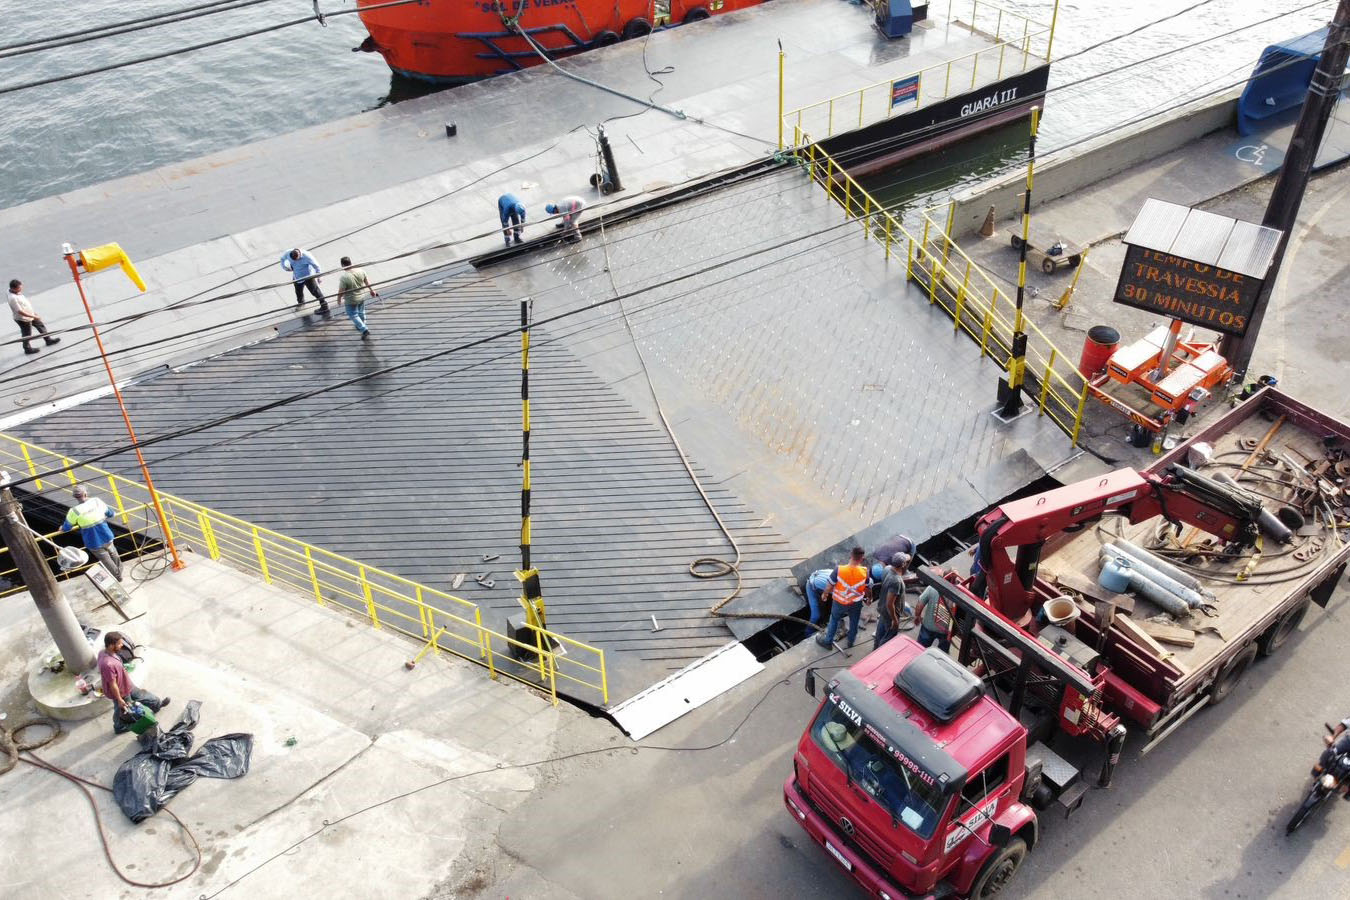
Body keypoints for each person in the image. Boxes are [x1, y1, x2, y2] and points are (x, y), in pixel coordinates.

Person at [98, 631, 169, 734]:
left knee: (143, 696)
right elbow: (112, 684)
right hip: (120, 692)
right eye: (119, 643)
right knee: (121, 709)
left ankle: (156, 704)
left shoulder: (104, 652)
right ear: (111, 645)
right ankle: (119, 727)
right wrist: (119, 699)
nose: (122, 645)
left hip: (127, 684)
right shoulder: (107, 664)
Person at [61, 485, 123, 580]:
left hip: (93, 542)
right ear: (85, 493)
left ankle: (118, 576)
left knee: (105, 560)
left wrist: (62, 528)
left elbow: (67, 527)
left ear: (75, 497)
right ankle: (120, 570)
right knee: (113, 553)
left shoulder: (74, 511)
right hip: (106, 536)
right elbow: (111, 513)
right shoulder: (96, 501)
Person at [816, 547, 873, 650]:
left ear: (850, 555)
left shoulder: (839, 570)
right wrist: (869, 598)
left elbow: (829, 586)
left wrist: (824, 595)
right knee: (854, 621)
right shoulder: (865, 572)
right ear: (862, 558)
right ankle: (851, 642)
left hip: (839, 602)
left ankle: (828, 642)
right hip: (855, 603)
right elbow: (868, 588)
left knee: (834, 620)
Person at [7, 279, 60, 356]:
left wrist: (33, 314)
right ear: (14, 288)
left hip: (30, 314)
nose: (21, 289)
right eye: (19, 288)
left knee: (40, 326)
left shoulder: (10, 290)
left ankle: (48, 339)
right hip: (23, 318)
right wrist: (33, 316)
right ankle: (27, 348)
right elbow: (20, 311)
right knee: (27, 334)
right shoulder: (13, 298)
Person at [873, 552, 912, 652]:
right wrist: (894, 620)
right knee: (888, 638)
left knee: (880, 633)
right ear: (903, 565)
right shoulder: (896, 581)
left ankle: (875, 649)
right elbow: (890, 603)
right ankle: (880, 655)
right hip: (890, 614)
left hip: (882, 610)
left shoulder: (887, 569)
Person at [336, 256, 377, 340]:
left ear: (342, 265)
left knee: (353, 314)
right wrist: (372, 290)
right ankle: (362, 324)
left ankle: (364, 329)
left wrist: (339, 299)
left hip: (351, 300)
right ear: (351, 263)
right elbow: (367, 282)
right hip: (361, 296)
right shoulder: (361, 271)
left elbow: (341, 291)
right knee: (361, 312)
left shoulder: (344, 277)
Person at [913, 576, 957, 653]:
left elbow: (920, 604)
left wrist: (917, 616)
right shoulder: (958, 594)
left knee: (920, 650)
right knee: (942, 654)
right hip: (946, 631)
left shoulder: (932, 588)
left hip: (928, 627)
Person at [280, 248, 328, 313]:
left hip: (308, 276)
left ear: (299, 254)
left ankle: (324, 306)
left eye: (296, 259)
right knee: (298, 291)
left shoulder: (307, 256)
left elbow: (316, 266)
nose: (295, 261)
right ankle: (301, 303)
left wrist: (319, 277)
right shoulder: (288, 253)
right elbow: (282, 259)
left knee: (315, 291)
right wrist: (285, 268)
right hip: (297, 276)